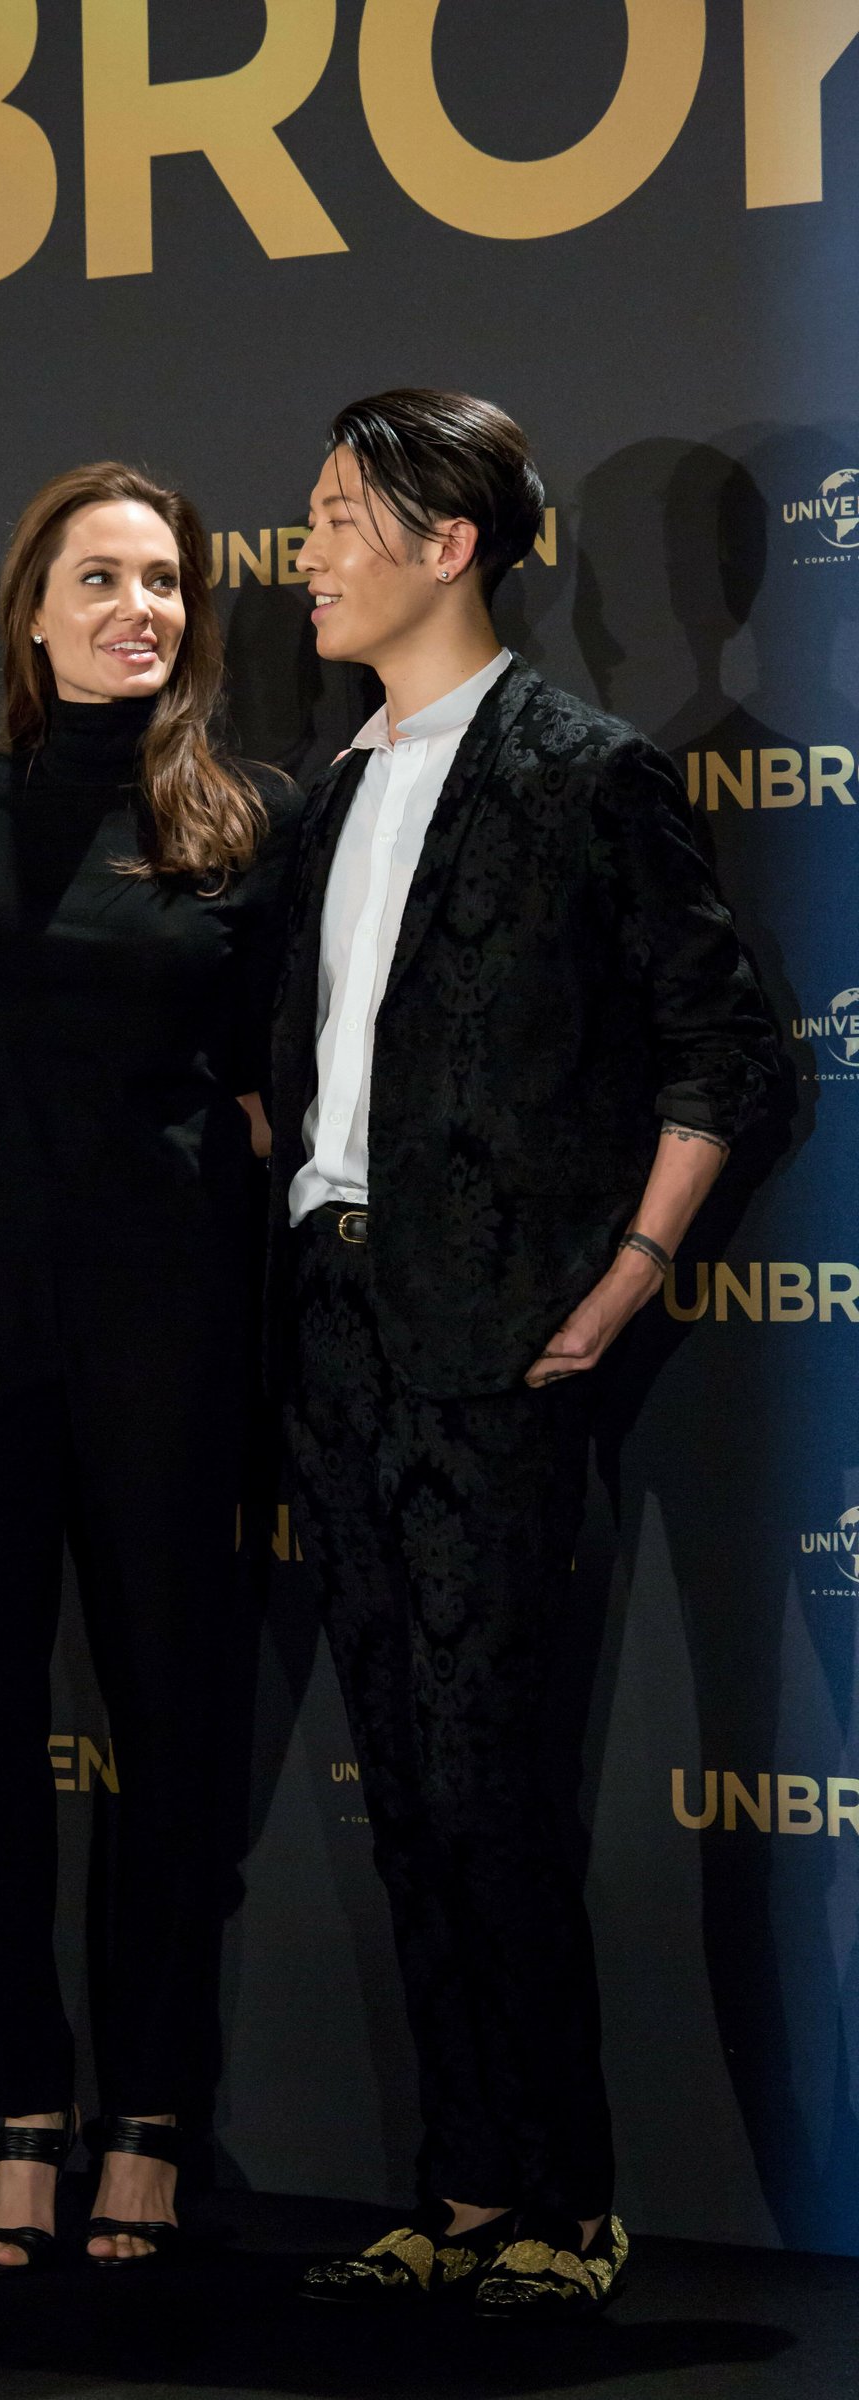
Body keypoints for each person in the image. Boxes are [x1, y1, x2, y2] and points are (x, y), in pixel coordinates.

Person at [270, 393, 781, 2320]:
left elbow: (729, 1055)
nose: (306, 551)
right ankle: (462, 2189)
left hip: (497, 1346)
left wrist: (629, 1270)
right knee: (401, 1784)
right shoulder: (326, 792)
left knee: (489, 1782)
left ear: (448, 541)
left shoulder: (584, 774)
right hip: (332, 1331)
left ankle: (568, 2200)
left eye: (341, 515)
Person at [0, 462, 300, 2274]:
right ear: (31, 608)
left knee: (168, 1714)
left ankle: (149, 2113)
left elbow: (285, 1082)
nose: (138, 607)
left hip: (170, 1319)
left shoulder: (249, 816)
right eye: (100, 577)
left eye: (164, 580)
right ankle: (23, 2117)